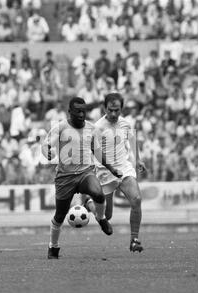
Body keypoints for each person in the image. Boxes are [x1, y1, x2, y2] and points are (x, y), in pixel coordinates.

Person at [41, 97, 122, 259]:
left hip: (86, 173)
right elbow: (46, 144)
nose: (81, 114)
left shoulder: (91, 129)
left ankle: (101, 218)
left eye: (83, 110)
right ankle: (53, 247)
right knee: (60, 215)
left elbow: (97, 151)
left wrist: (112, 168)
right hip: (65, 177)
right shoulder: (60, 127)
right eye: (77, 111)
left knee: (98, 194)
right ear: (69, 112)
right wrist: (48, 152)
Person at [84, 93, 146, 253]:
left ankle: (134, 240)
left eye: (116, 110)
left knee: (137, 199)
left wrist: (138, 159)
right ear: (104, 108)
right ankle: (89, 204)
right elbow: (94, 151)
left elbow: (132, 140)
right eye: (110, 110)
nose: (113, 114)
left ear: (121, 109)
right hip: (105, 173)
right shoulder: (98, 127)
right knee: (108, 215)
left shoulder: (126, 124)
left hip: (124, 169)